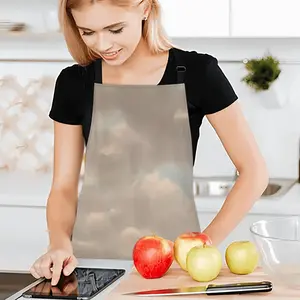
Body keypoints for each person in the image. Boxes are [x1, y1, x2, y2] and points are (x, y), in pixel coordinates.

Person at [30, 0, 268, 287]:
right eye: (87, 32)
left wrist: (203, 245)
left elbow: (254, 173)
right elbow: (63, 186)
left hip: (176, 266)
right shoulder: (73, 82)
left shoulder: (196, 72)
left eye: (115, 29)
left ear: (145, 8)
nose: (102, 44)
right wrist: (59, 244)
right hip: (93, 264)